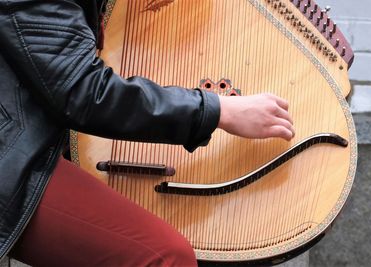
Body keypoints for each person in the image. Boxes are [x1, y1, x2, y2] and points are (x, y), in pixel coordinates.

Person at [0, 0, 295, 266]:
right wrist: (220, 111)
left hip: (34, 130)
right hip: (11, 155)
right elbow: (85, 92)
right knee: (165, 257)